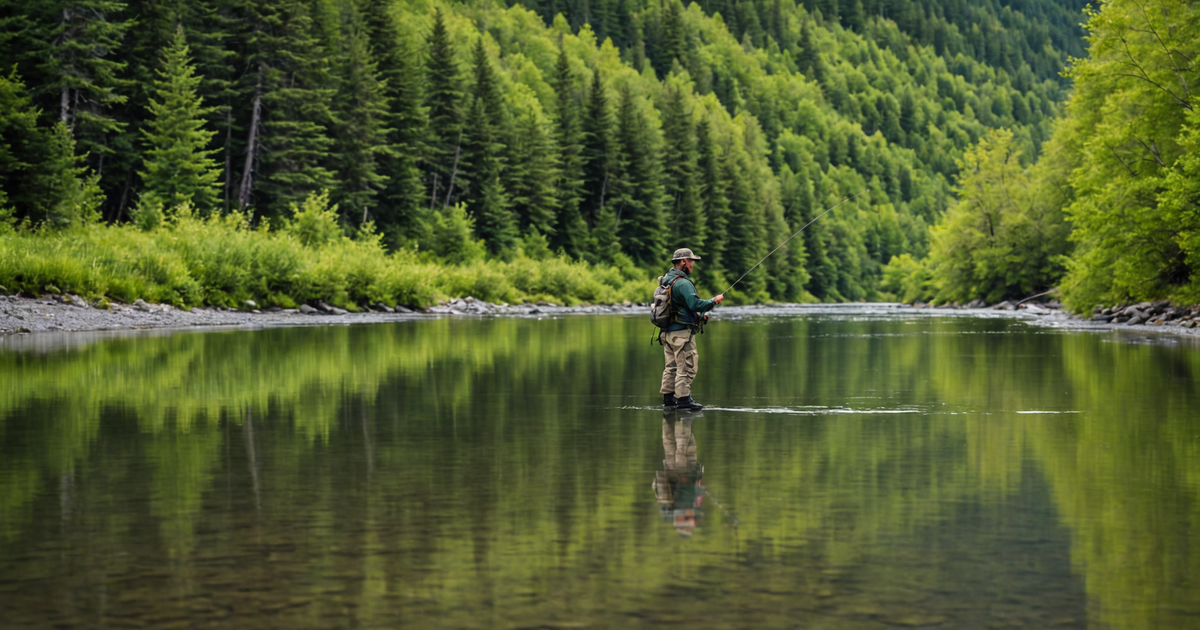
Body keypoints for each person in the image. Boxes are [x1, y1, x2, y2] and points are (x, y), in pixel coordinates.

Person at [659, 248, 723, 411]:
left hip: (667, 333)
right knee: (686, 366)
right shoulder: (682, 282)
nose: (693, 265)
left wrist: (700, 317)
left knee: (671, 366)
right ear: (683, 262)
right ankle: (683, 400)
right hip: (681, 334)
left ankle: (668, 399)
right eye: (692, 261)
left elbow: (679, 307)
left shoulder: (666, 280)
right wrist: (713, 301)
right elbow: (695, 304)